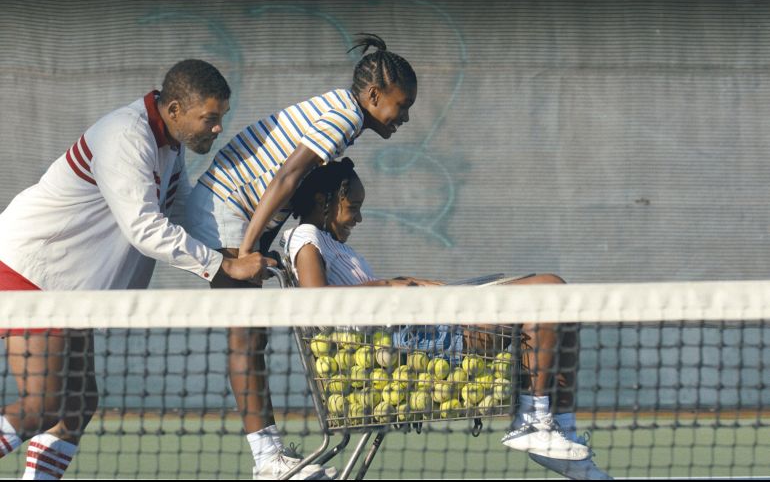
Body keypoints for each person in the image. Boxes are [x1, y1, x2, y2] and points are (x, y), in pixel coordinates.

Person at [0, 60, 273, 480]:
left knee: (76, 406)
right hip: (31, 272)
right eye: (210, 118)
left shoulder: (170, 147)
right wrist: (224, 265)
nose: (217, 128)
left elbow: (179, 214)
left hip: (67, 290)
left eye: (221, 118)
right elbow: (145, 228)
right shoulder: (126, 136)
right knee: (45, 403)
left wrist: (229, 258)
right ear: (177, 109)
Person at [281, 158, 612, 480]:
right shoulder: (305, 236)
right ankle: (532, 420)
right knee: (549, 290)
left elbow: (365, 291)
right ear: (323, 201)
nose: (360, 217)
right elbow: (318, 303)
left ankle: (560, 428)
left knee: (559, 299)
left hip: (421, 330)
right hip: (416, 344)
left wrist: (410, 281)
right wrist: (390, 286)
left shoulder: (332, 243)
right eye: (353, 207)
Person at [184, 34, 418, 480]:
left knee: (252, 337)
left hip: (241, 214)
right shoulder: (343, 118)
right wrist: (249, 250)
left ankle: (270, 456)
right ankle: (268, 460)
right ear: (374, 96)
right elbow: (287, 177)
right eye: (401, 105)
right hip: (226, 211)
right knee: (247, 337)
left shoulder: (342, 115)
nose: (404, 117)